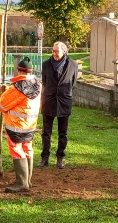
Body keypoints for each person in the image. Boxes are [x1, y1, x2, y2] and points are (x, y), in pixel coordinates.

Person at [0, 57, 42, 193]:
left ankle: (21, 183)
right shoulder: (38, 84)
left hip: (16, 126)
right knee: (27, 149)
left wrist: (3, 93)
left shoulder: (16, 88)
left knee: (17, 150)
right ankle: (27, 180)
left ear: (19, 71)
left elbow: (0, 105)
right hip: (30, 125)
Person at [37, 41, 78, 169]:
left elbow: (73, 82)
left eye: (57, 51)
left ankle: (60, 158)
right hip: (49, 102)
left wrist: (63, 93)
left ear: (64, 52)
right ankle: (45, 157)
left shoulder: (73, 65)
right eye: (53, 51)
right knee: (46, 133)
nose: (54, 53)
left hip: (64, 102)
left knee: (63, 133)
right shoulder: (46, 64)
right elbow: (44, 82)